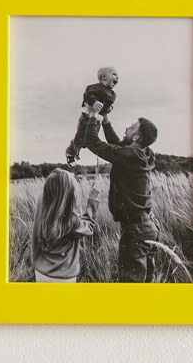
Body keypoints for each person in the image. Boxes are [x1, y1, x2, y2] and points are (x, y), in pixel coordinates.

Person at [82, 113, 160, 282]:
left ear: (136, 137)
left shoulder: (130, 155)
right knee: (146, 287)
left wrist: (93, 116)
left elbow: (92, 142)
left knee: (131, 288)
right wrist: (105, 119)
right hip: (148, 227)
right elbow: (118, 144)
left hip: (136, 231)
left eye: (131, 128)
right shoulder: (144, 153)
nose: (126, 129)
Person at [31, 168, 101, 282]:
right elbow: (87, 227)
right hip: (63, 277)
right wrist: (92, 201)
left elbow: (54, 190)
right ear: (67, 193)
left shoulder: (42, 204)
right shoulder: (70, 219)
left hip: (40, 273)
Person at [65, 66, 119, 166]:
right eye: (114, 74)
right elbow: (88, 96)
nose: (117, 77)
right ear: (104, 76)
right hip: (87, 117)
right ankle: (71, 152)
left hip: (97, 119)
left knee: (89, 139)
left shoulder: (112, 94)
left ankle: (77, 150)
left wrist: (109, 108)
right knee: (80, 137)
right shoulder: (94, 88)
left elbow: (107, 105)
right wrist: (94, 102)